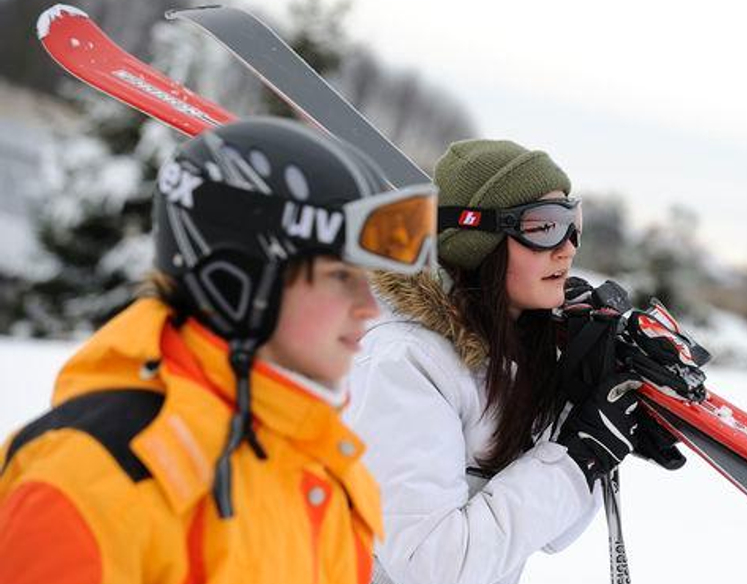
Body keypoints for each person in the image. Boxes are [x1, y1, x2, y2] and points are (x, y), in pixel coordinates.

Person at [0, 118, 437, 584]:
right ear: (235, 282)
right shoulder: (92, 482)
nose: (369, 307)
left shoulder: (320, 471)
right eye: (340, 277)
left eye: (365, 279)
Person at [345, 139, 684, 584]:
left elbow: (551, 534)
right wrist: (577, 457)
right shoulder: (404, 362)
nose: (567, 248)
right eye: (545, 227)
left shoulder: (509, 358)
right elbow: (433, 565)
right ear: (476, 241)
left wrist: (581, 419)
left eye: (573, 224)